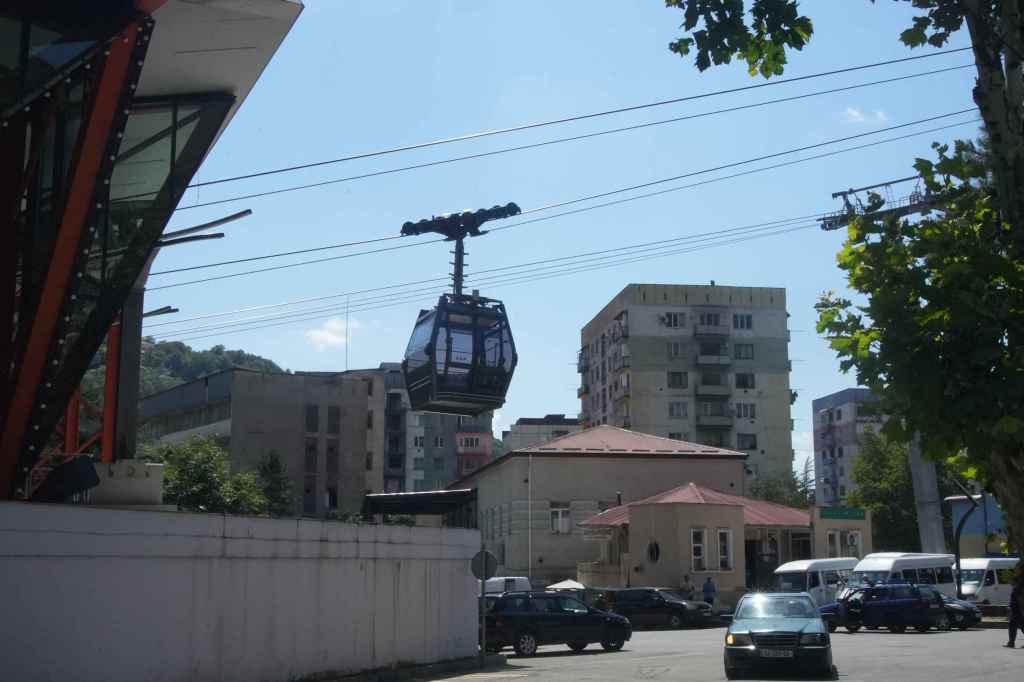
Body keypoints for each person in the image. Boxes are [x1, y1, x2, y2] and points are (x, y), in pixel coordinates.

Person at [1007, 573, 1023, 649]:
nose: (1010, 582)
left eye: (1011, 581)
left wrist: (1021, 610)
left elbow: (1019, 600)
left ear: (1014, 581)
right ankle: (1011, 642)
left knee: (1012, 626)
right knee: (1022, 626)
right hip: (1018, 610)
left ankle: (1011, 643)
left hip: (1017, 611)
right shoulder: (1017, 588)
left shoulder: (1016, 589)